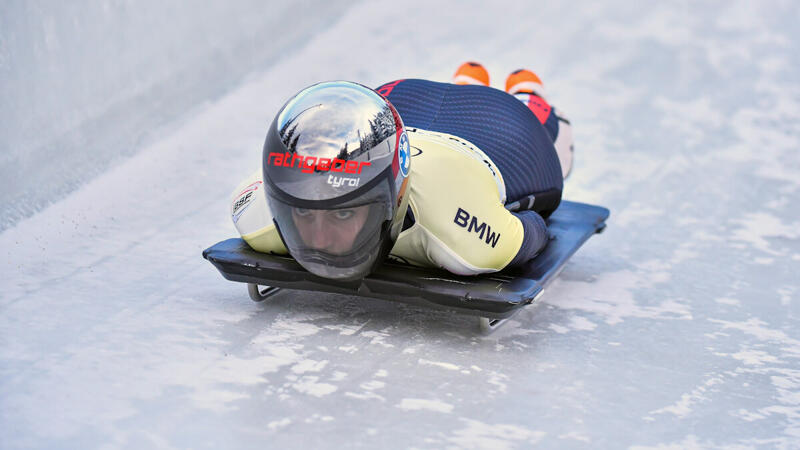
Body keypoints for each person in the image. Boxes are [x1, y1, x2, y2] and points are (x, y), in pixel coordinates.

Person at [229, 62, 573, 280]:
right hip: (399, 101)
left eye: (344, 212)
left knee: (550, 139)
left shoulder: (463, 238)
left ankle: (527, 95)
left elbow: (533, 230)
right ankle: (468, 82)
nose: (318, 242)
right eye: (302, 210)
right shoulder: (256, 213)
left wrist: (498, 214)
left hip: (501, 126)